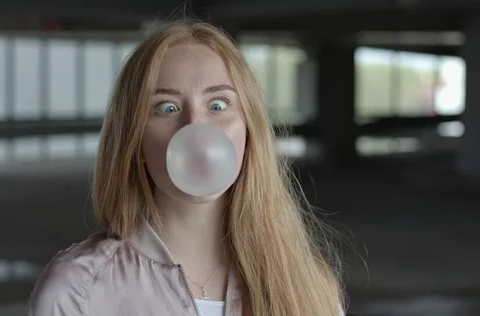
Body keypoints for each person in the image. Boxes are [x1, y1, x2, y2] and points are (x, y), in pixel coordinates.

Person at [27, 19, 345, 316]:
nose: (195, 126)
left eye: (218, 105)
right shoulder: (79, 292)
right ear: (133, 139)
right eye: (167, 108)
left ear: (249, 130)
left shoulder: (306, 283)